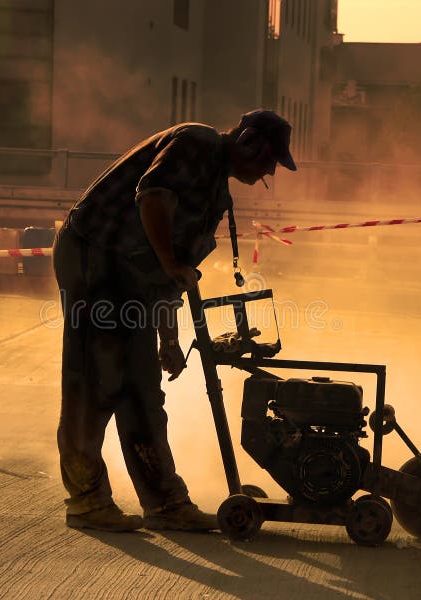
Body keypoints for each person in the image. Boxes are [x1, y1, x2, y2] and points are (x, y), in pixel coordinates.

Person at [53, 109, 296, 532]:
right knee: (97, 382)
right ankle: (86, 501)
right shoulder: (195, 143)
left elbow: (173, 271)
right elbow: (153, 197)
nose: (268, 172)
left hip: (130, 276)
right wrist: (168, 262)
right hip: (94, 257)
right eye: (268, 161)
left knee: (144, 391)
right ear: (248, 142)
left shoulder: (216, 193)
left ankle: (165, 504)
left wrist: (168, 338)